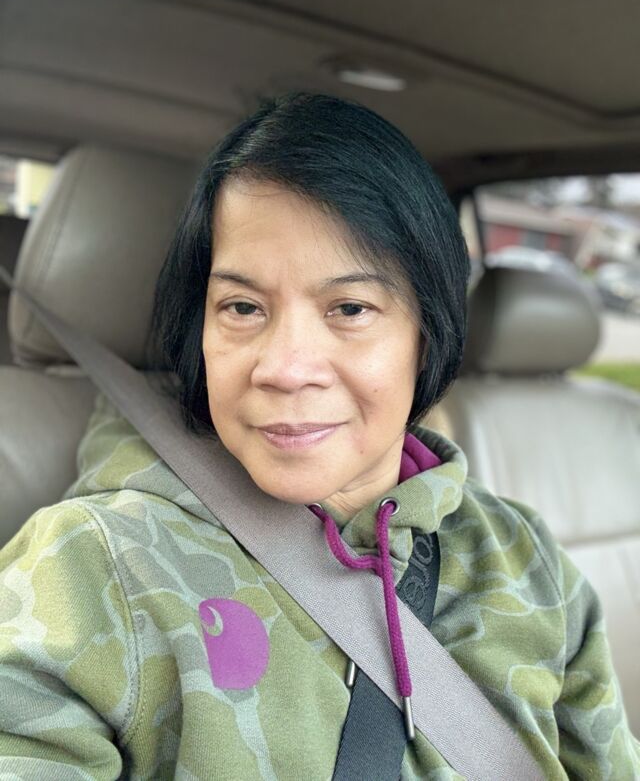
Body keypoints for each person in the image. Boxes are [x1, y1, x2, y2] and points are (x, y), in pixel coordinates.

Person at [0, 91, 638, 779]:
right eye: (243, 306)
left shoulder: (526, 557)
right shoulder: (87, 569)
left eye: (350, 308)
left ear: (426, 335)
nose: (285, 368)